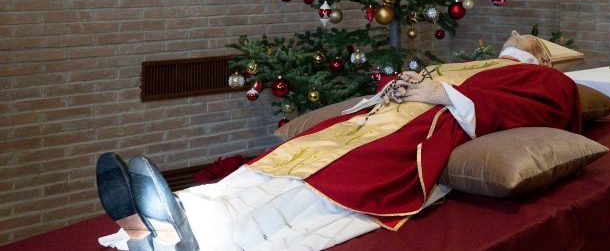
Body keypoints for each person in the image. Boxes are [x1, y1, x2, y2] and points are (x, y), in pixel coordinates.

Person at [96, 33, 581, 251]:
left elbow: (539, 112)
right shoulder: (478, 62)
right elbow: (424, 83)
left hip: (424, 127)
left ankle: (205, 233)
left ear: (540, 56)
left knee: (329, 176)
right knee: (285, 157)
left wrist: (441, 94)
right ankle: (169, 210)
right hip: (381, 115)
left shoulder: (549, 80)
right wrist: (397, 87)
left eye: (525, 36)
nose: (515, 34)